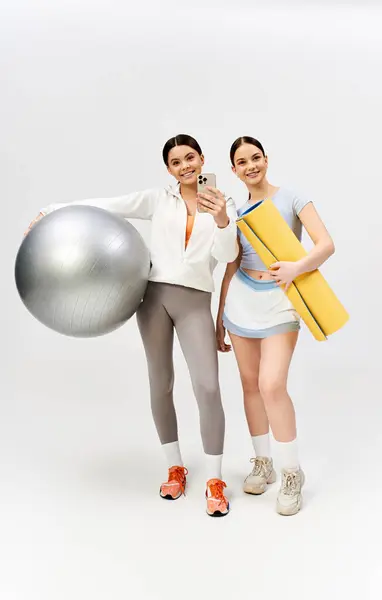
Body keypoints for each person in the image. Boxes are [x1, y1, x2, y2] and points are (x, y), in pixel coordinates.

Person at [26, 134, 239, 517]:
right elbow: (105, 207)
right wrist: (52, 209)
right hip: (153, 299)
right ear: (169, 169)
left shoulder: (224, 204)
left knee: (207, 386)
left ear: (202, 158)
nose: (185, 166)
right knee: (161, 384)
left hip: (194, 302)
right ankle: (175, 467)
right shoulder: (158, 199)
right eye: (176, 162)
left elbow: (226, 255)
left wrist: (222, 219)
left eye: (190, 157)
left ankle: (215, 479)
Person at [216, 136, 335, 516]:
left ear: (266, 160)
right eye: (242, 161)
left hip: (282, 300)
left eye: (255, 157)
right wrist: (219, 315)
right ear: (233, 170)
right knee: (250, 385)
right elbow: (231, 264)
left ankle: (291, 472)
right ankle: (263, 462)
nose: (250, 165)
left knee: (272, 385)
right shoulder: (234, 210)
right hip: (241, 299)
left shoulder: (293, 197)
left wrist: (297, 268)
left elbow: (325, 243)